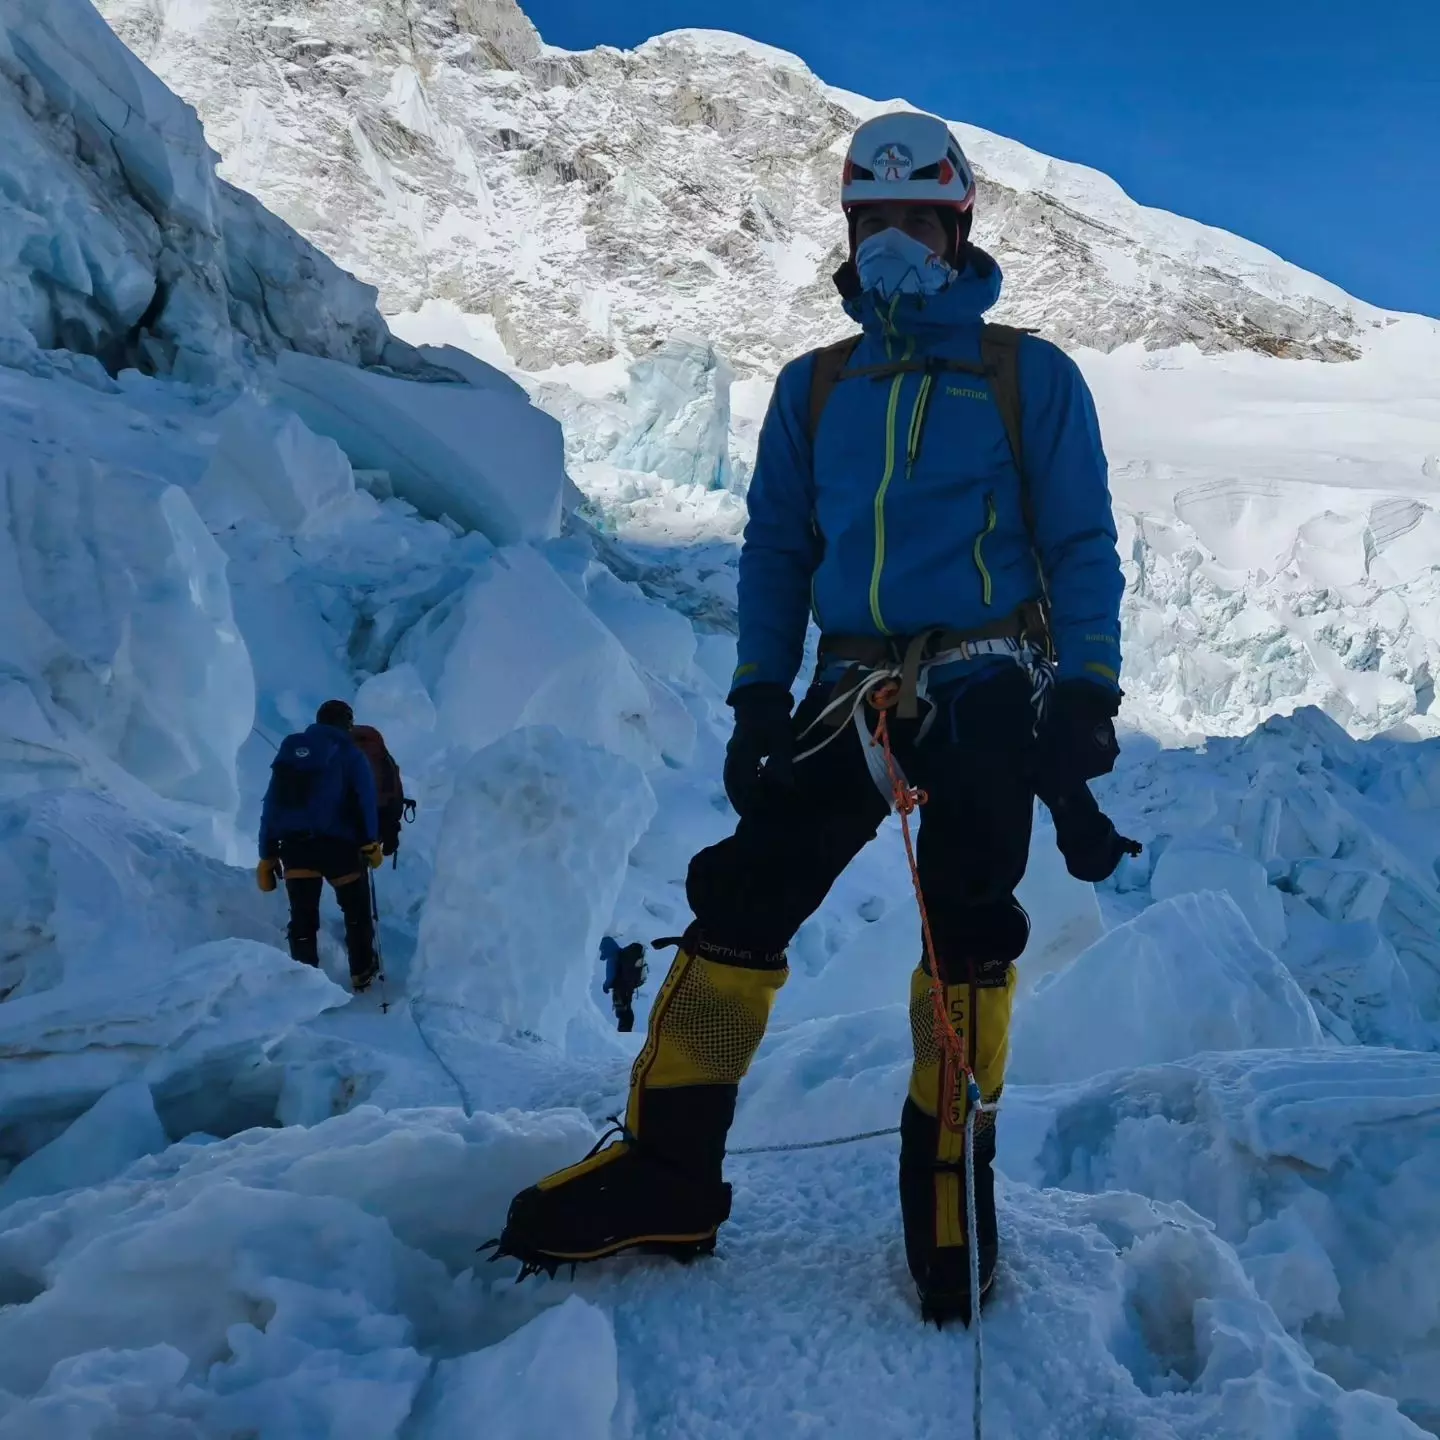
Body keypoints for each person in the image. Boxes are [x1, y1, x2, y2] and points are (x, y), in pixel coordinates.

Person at [492, 112, 1131, 1323]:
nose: (894, 240)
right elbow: (778, 550)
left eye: (917, 219)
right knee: (741, 897)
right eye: (873, 219)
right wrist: (754, 699)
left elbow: (1081, 541)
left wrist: (1089, 686)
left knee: (969, 924)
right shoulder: (815, 387)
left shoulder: (1025, 375)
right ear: (850, 229)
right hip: (849, 688)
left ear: (960, 226)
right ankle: (668, 1170)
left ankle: (951, 1189)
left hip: (989, 678)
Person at [256, 699, 385, 992]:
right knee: (356, 913)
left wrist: (267, 855)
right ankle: (362, 971)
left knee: (302, 918)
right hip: (339, 849)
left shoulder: (291, 751)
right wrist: (369, 843)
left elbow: (272, 804)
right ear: (347, 724)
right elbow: (365, 801)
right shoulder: (350, 754)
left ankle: (305, 982)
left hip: (295, 849)